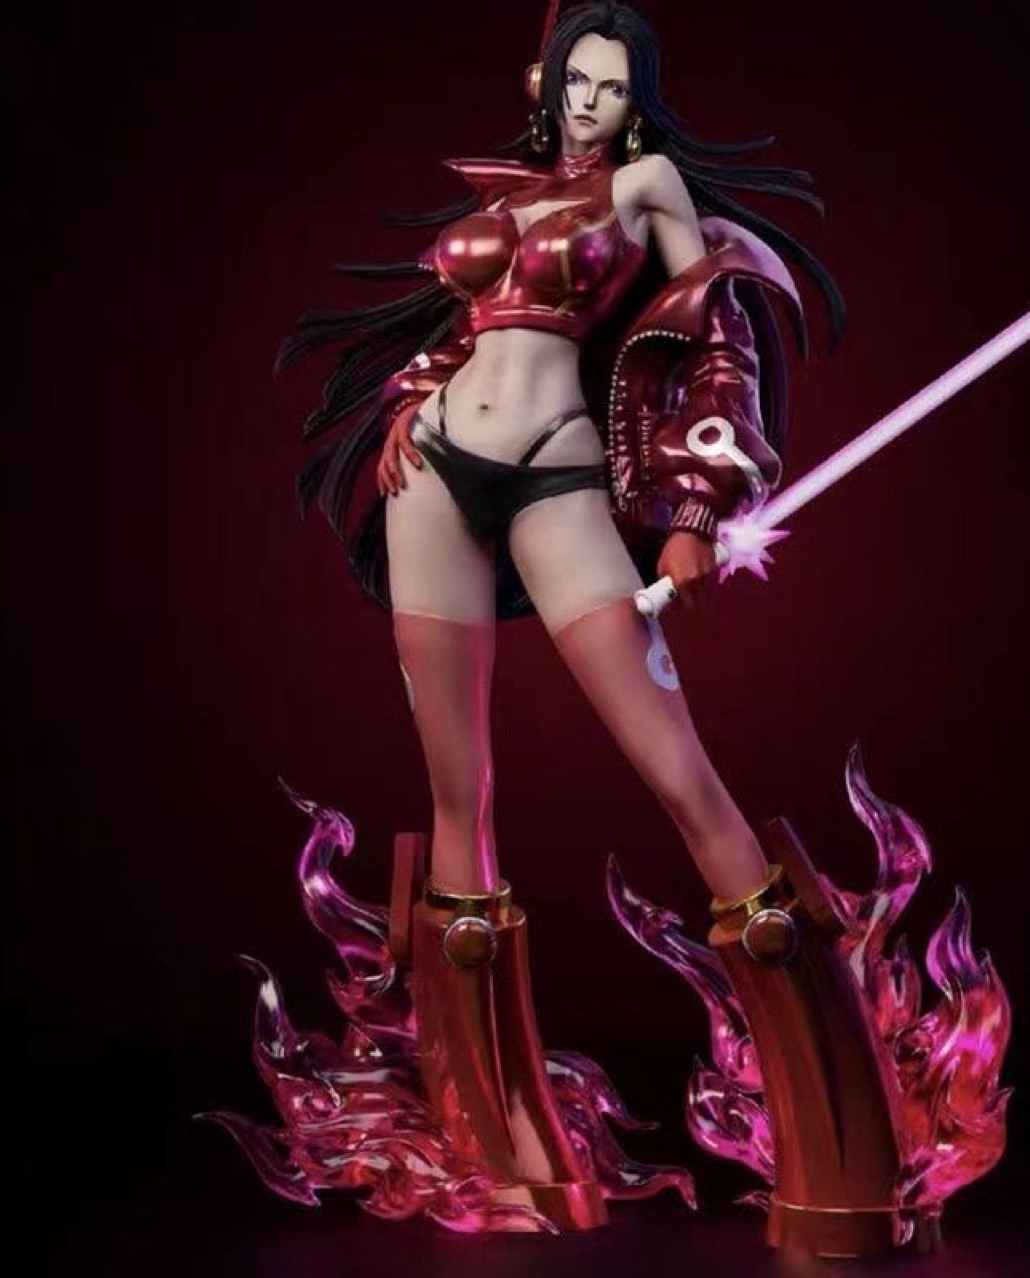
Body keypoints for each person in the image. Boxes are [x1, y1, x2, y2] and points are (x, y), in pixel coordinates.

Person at [280, 0, 905, 1254]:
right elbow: (471, 325)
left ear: (638, 102)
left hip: (558, 474)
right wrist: (410, 400)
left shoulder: (647, 186)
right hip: (433, 474)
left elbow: (716, 338)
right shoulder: (508, 192)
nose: (590, 104)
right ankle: (503, 1161)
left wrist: (695, 510)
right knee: (458, 792)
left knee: (682, 776)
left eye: (614, 89)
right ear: (547, 79)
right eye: (577, 80)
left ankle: (846, 1159)